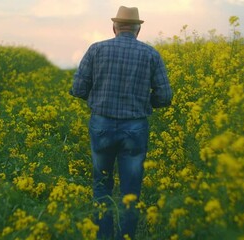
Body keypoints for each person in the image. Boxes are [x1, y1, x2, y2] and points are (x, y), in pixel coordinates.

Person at [70, 5, 173, 240]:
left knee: (101, 186)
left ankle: (103, 236)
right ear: (138, 30)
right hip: (135, 127)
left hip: (102, 124)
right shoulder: (150, 54)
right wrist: (145, 102)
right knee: (131, 191)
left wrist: (98, 98)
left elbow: (77, 89)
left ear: (114, 27)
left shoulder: (96, 50)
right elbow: (164, 97)